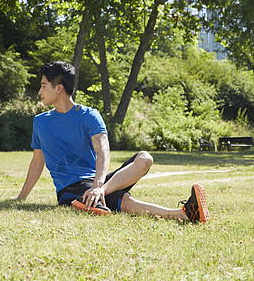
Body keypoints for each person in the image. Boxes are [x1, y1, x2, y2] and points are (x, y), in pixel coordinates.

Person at [16, 61, 209, 223]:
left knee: (145, 158)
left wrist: (99, 186)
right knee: (121, 200)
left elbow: (103, 150)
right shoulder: (41, 122)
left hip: (97, 181)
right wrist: (21, 197)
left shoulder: (89, 115)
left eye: (43, 85)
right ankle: (182, 214)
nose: (39, 90)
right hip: (70, 190)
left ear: (58, 88)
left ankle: (97, 194)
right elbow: (37, 162)